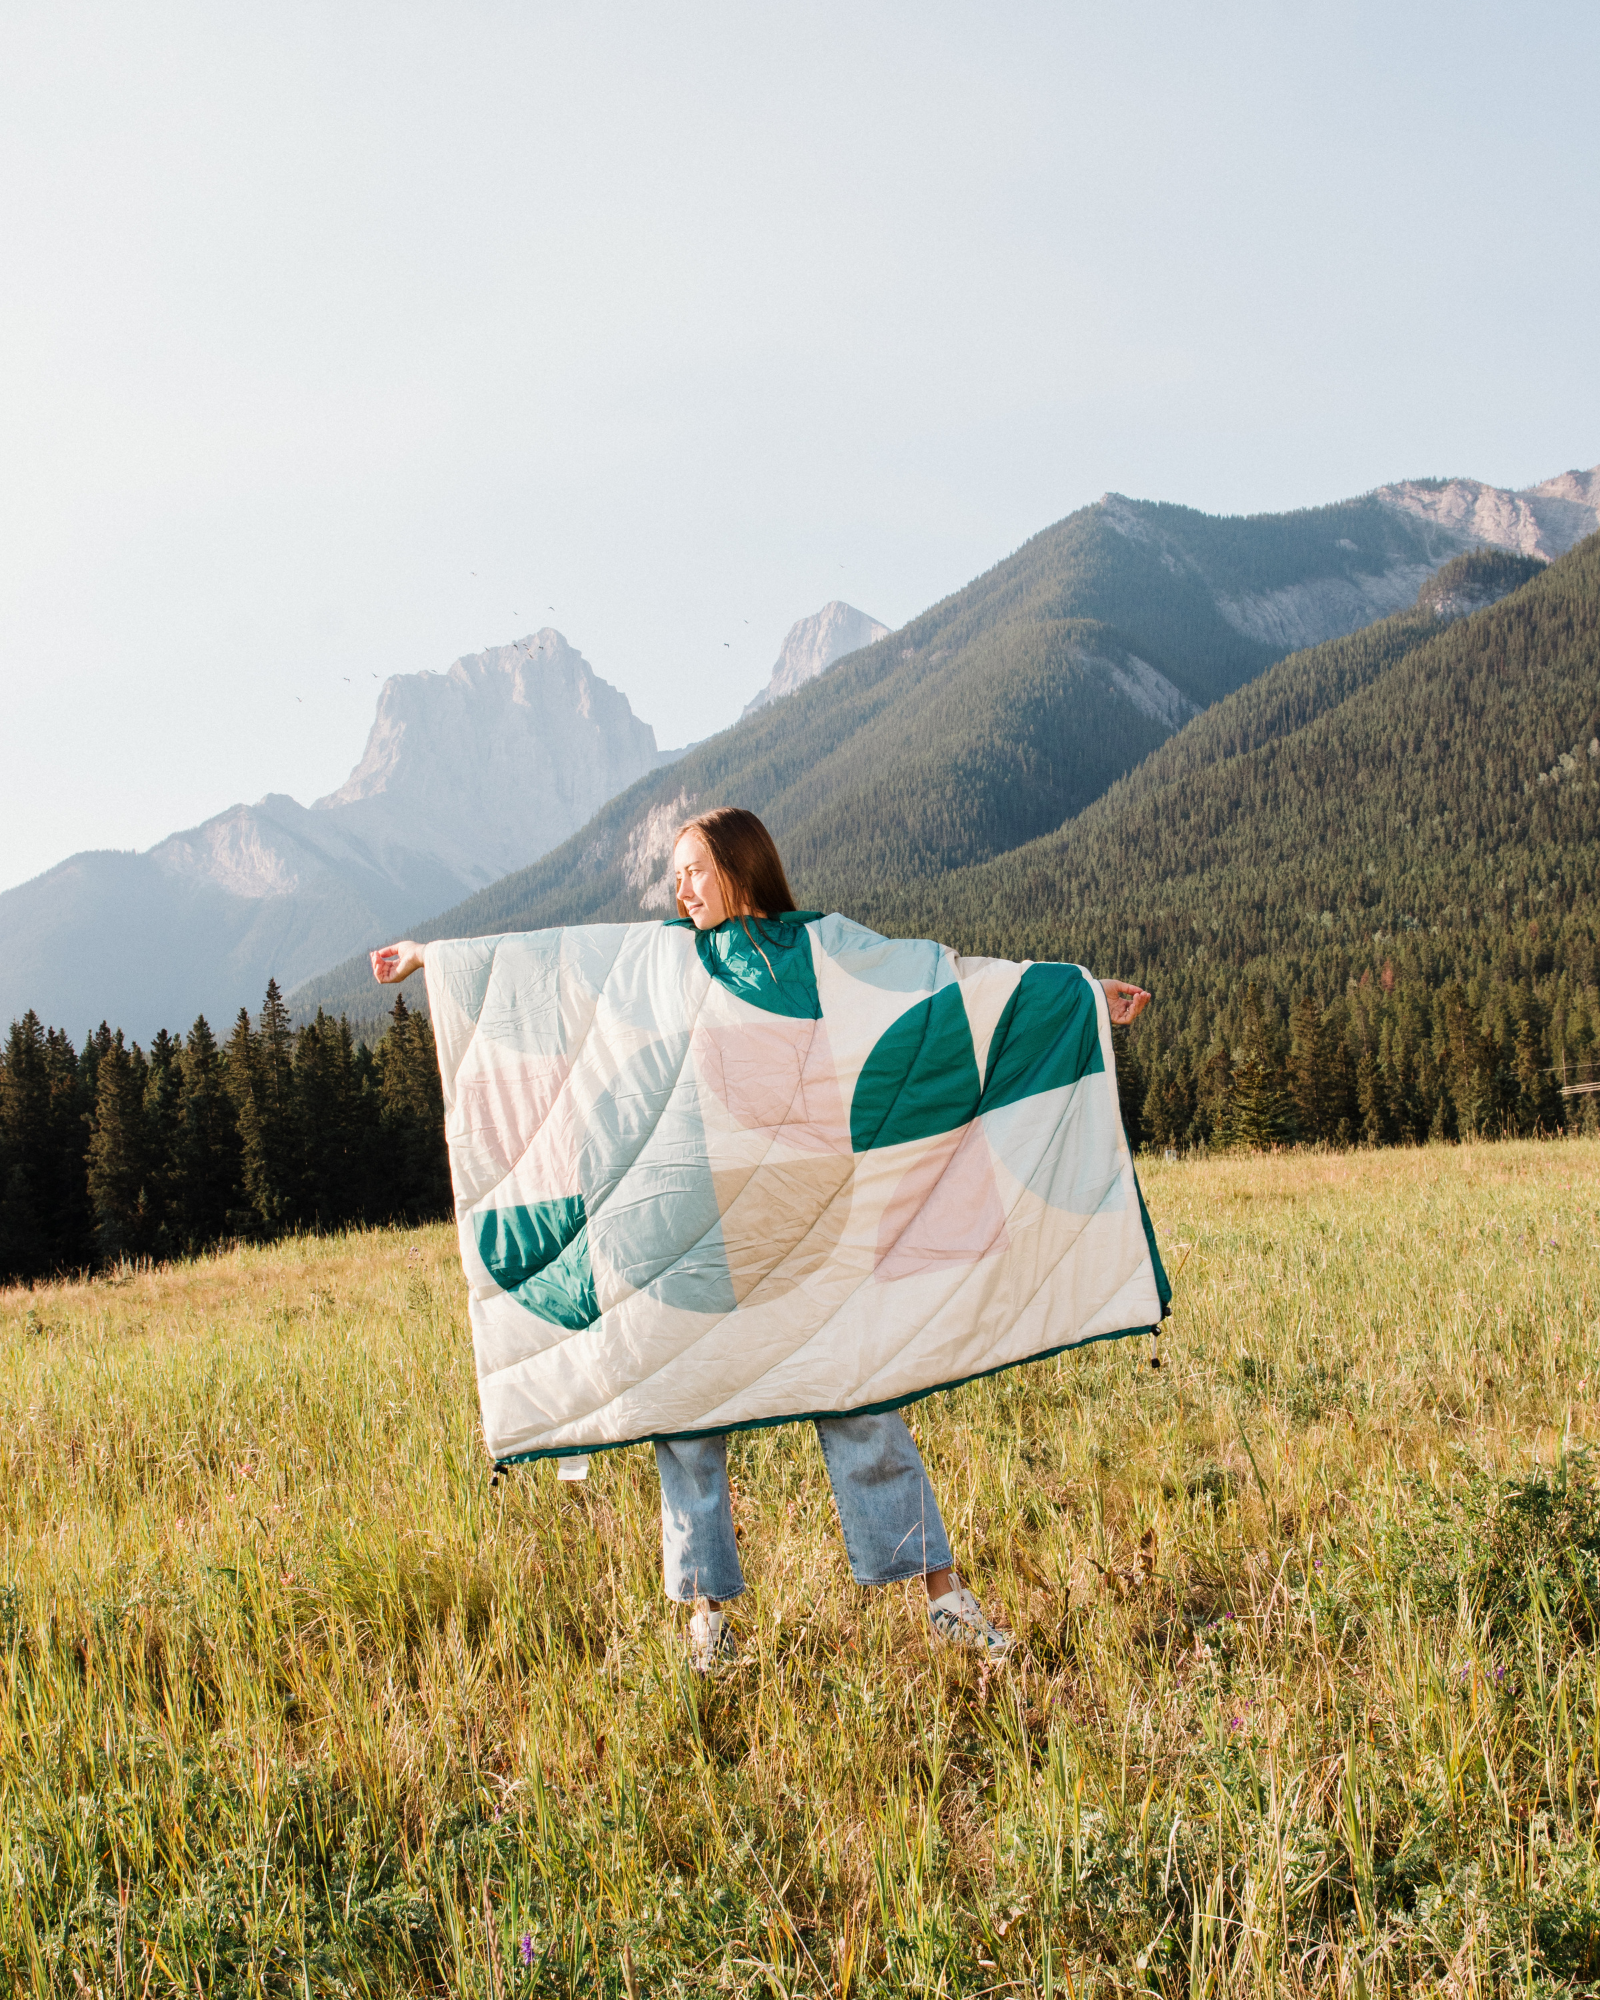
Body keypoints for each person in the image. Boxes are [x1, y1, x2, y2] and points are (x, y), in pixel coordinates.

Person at [373, 806, 1150, 1670]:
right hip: (699, 1245)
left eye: (696, 869)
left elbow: (944, 985)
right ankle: (709, 1620)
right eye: (675, 873)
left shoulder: (818, 949)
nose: (681, 887)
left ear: (744, 869)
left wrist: (1082, 992)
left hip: (813, 1234)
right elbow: (556, 967)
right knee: (686, 1415)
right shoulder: (662, 960)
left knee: (862, 1398)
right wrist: (436, 962)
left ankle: (944, 1599)